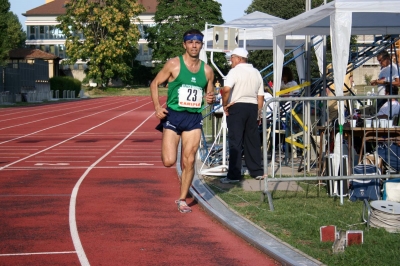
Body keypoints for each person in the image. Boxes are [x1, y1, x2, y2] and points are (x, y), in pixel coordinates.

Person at [150, 29, 215, 213]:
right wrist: (157, 107)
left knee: (190, 159)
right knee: (169, 161)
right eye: (190, 42)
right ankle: (169, 147)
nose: (194, 45)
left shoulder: (207, 71)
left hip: (193, 118)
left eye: (197, 42)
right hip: (173, 116)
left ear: (201, 45)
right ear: (184, 45)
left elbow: (209, 96)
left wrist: (211, 99)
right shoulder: (174, 64)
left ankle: (182, 199)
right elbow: (154, 83)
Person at [220, 48, 264, 183]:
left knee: (235, 141)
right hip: (252, 107)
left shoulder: (234, 72)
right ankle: (257, 171)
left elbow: (226, 89)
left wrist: (224, 104)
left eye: (232, 58)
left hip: (237, 106)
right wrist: (259, 112)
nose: (230, 61)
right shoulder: (256, 72)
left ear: (238, 58)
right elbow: (260, 95)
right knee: (252, 140)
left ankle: (234, 174)